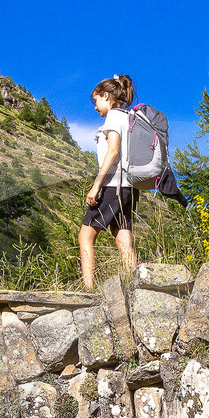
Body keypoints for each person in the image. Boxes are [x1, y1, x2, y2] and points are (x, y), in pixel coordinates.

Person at [80, 74, 139, 291]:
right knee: (123, 240)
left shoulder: (114, 117)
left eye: (96, 101)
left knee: (85, 235)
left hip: (112, 185)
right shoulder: (129, 117)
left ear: (106, 96)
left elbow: (113, 151)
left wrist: (96, 185)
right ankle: (134, 287)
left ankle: (88, 290)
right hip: (128, 188)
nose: (95, 107)